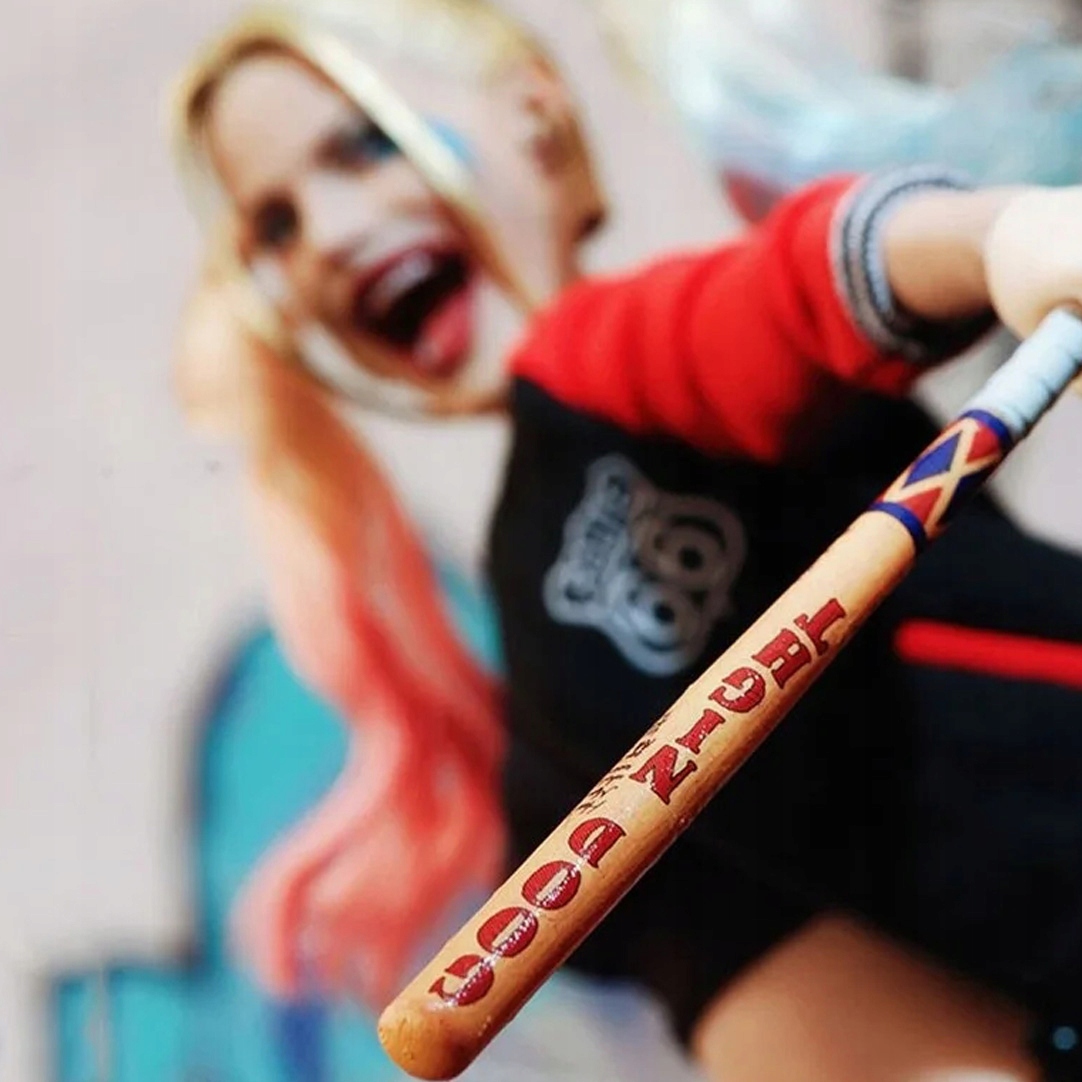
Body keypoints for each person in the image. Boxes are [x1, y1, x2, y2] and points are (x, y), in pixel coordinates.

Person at [170, 2, 1082, 1078]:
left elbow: (782, 298)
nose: (325, 236)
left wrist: (995, 236)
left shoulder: (607, 363)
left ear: (532, 115)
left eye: (365, 145)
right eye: (275, 227)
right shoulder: (546, 690)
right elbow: (757, 977)